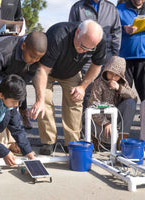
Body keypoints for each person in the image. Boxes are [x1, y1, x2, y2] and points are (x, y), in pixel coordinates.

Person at [29, 20, 107, 155]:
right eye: (82, 46)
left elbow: (96, 66)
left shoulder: (99, 41)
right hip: (49, 70)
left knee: (75, 101)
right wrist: (39, 100)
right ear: (77, 32)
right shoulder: (58, 35)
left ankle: (72, 142)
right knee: (44, 101)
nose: (84, 51)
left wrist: (82, 87)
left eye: (89, 49)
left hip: (71, 72)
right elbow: (42, 70)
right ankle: (49, 142)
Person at [0, 31, 47, 129]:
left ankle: (13, 125)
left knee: (14, 92)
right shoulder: (1, 51)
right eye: (33, 57)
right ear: (23, 46)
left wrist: (15, 103)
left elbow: (22, 82)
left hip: (13, 64)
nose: (35, 60)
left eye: (39, 58)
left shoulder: (35, 56)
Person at [68, 0, 122, 128]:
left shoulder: (111, 8)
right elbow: (72, 31)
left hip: (106, 56)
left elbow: (117, 33)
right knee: (86, 91)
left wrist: (114, 55)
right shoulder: (78, 7)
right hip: (85, 55)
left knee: (106, 91)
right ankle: (85, 127)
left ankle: (103, 128)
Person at [88, 56, 137, 149]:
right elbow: (92, 106)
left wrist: (119, 88)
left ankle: (121, 141)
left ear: (121, 75)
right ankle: (97, 139)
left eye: (117, 75)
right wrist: (105, 123)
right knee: (108, 138)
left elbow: (134, 98)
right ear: (106, 71)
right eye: (110, 73)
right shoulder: (98, 83)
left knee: (130, 103)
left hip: (114, 118)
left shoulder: (122, 82)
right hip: (99, 119)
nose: (113, 78)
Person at [117, 0, 145, 142]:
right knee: (124, 97)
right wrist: (123, 28)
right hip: (125, 59)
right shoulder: (120, 9)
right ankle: (120, 137)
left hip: (144, 59)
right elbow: (112, 29)